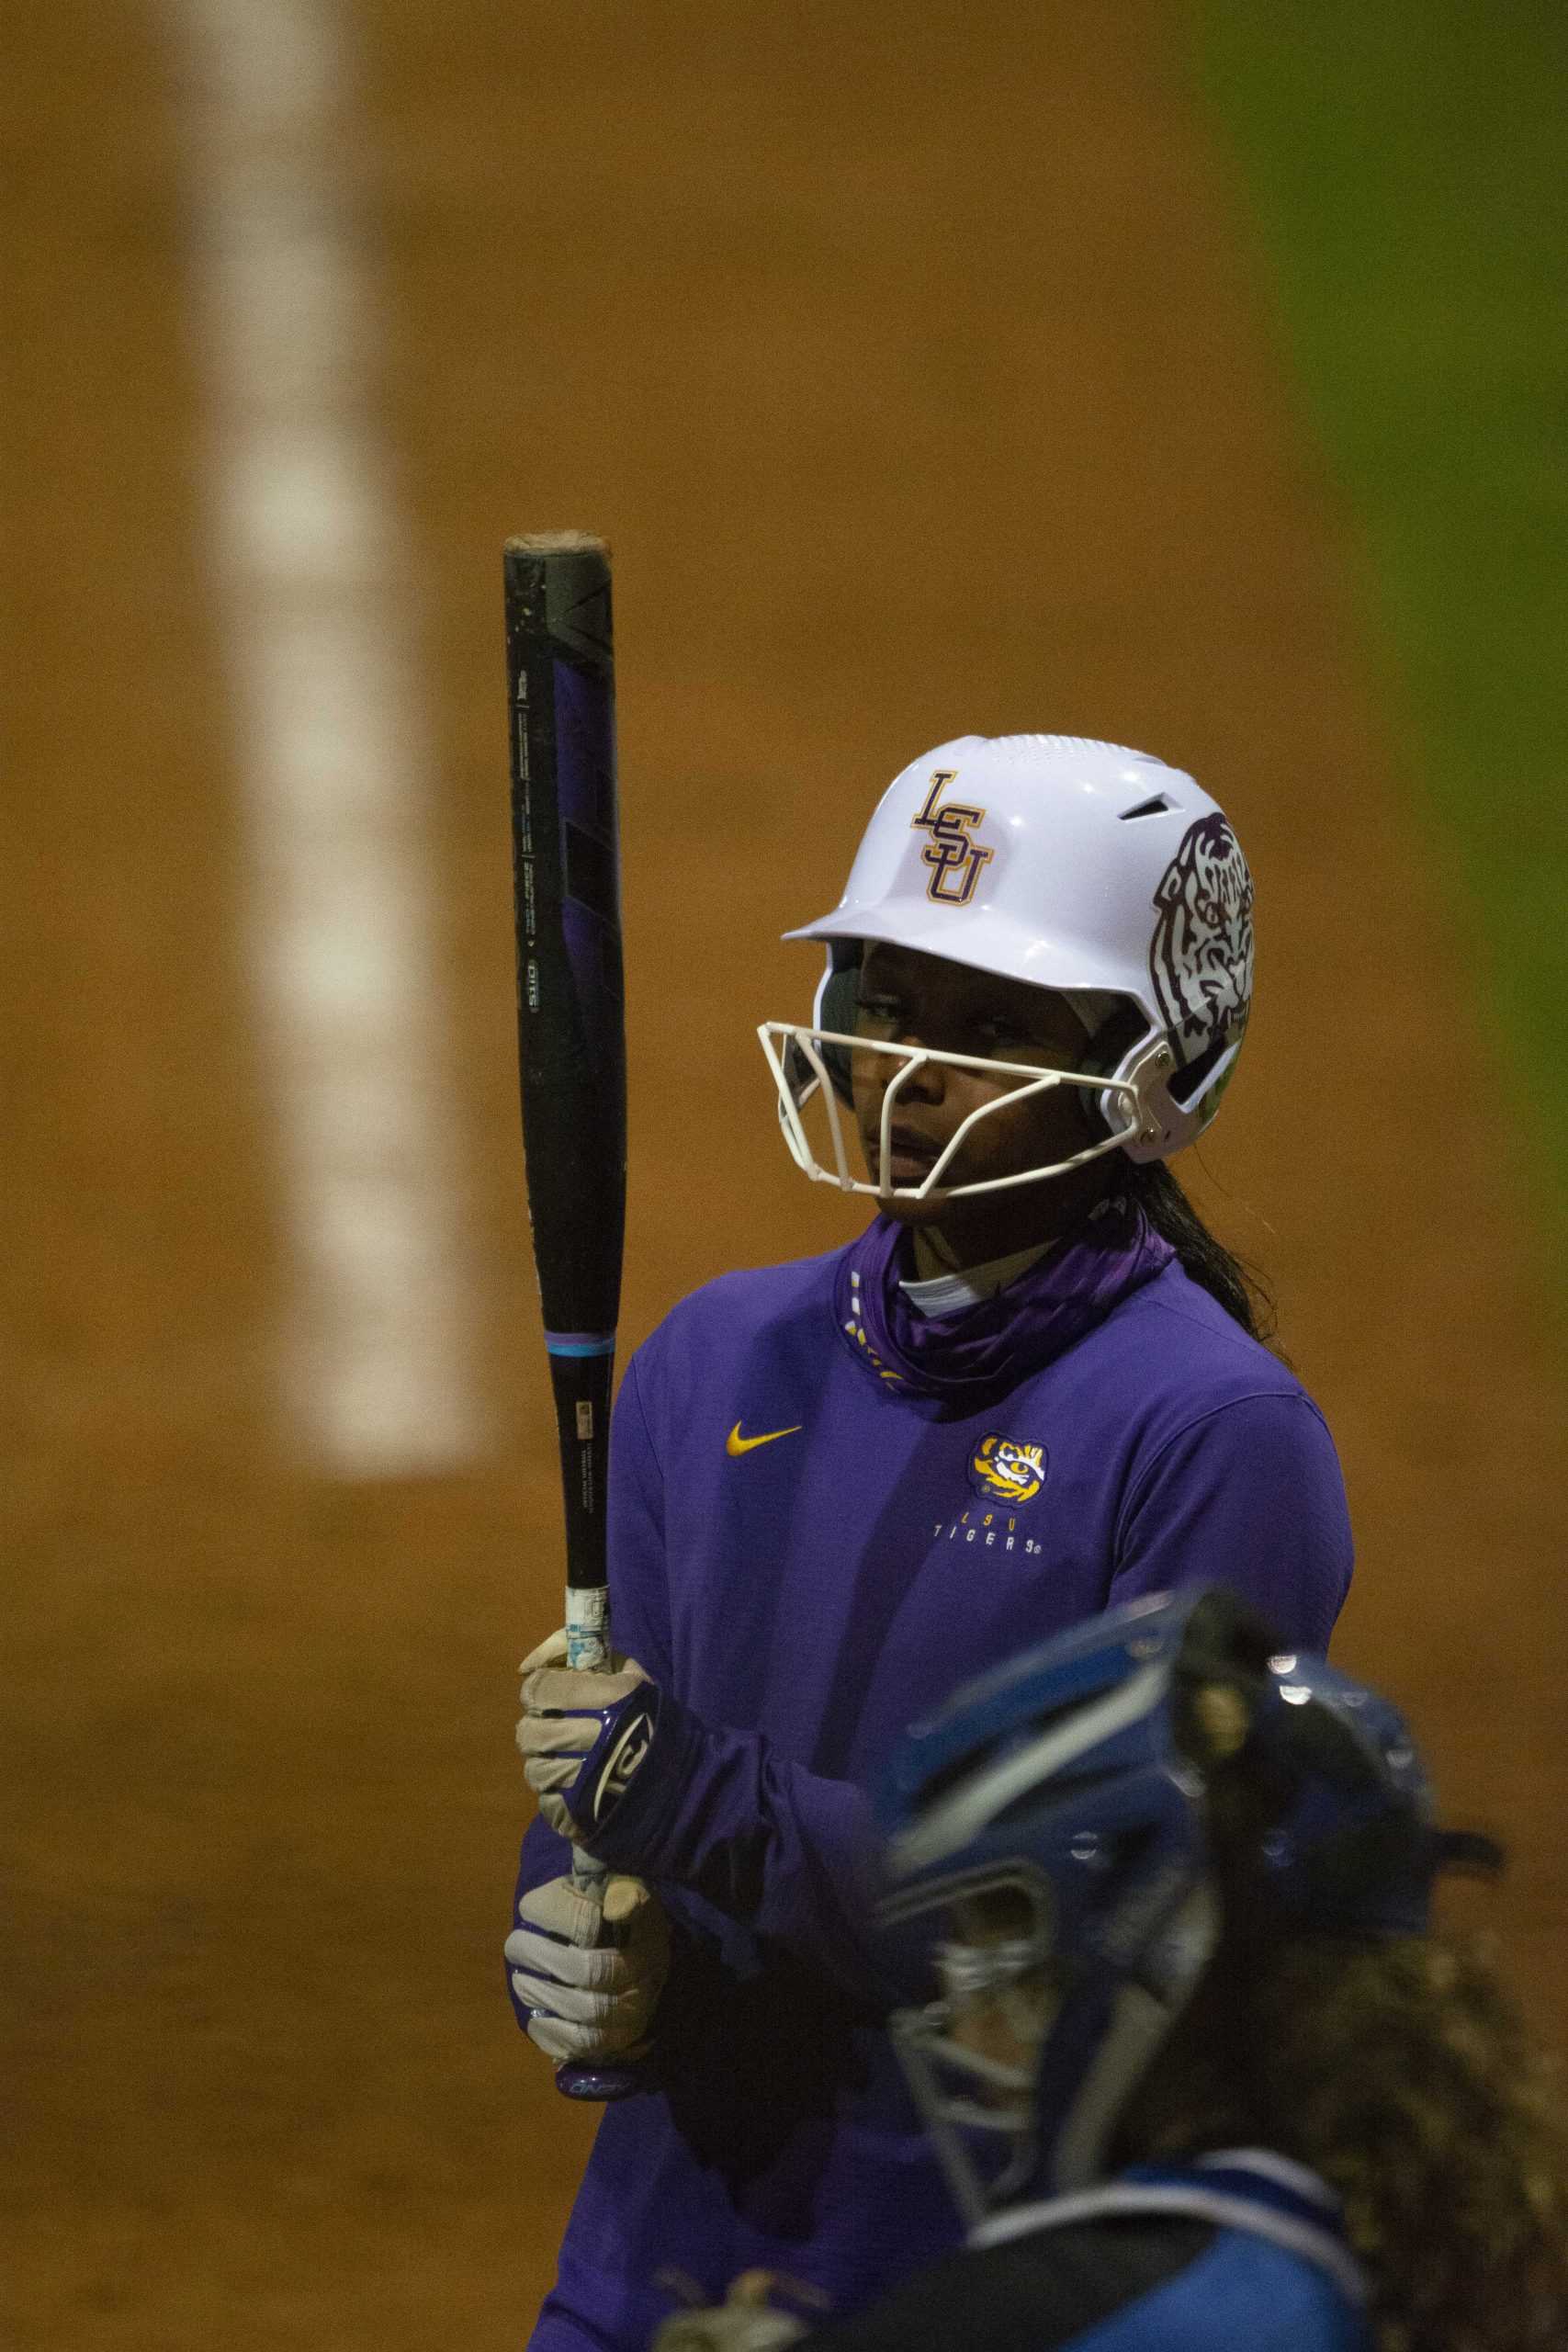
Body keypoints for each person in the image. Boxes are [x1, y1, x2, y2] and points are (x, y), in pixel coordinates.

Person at [508, 735, 1357, 2351]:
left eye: (989, 1027)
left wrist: (700, 1804)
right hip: (659, 2260)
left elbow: (1125, 1924)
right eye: (884, 999)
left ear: (1153, 1070)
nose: (905, 1069)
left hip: (1000, 2288)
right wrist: (596, 1948)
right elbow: (615, 1783)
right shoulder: (718, 1356)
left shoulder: (1208, 1433)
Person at [651, 1588, 1568, 2352]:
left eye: (1003, 1953)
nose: (966, 2016)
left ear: (1147, 1957)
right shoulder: (1404, 2258)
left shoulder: (1129, 2305)